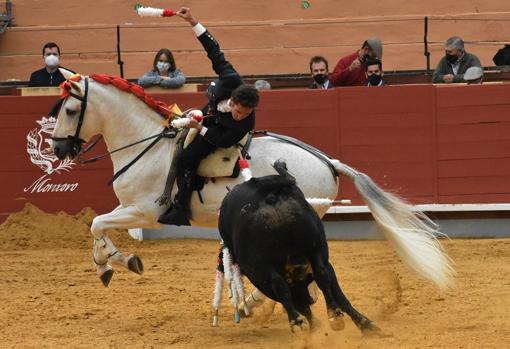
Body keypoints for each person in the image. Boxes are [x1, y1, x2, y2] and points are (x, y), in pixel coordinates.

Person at [158, 7, 259, 226]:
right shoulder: (230, 77)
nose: (241, 116)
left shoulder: (246, 122)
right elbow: (214, 50)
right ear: (233, 99)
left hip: (218, 131)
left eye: (245, 114)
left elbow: (222, 140)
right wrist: (193, 21)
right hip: (208, 113)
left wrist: (199, 128)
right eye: (239, 111)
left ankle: (181, 209)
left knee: (186, 158)